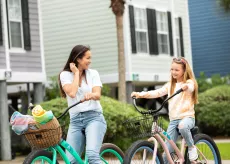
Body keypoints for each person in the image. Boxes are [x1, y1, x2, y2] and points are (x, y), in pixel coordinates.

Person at [131, 57, 199, 163]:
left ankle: (191, 147)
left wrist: (186, 86)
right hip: (173, 121)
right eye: (172, 69)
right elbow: (157, 92)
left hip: (187, 117)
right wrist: (139, 94)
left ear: (184, 71)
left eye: (177, 70)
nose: (173, 72)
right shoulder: (170, 85)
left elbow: (191, 87)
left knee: (182, 126)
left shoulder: (189, 82)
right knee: (166, 154)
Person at [58, 45, 107, 164]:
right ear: (78, 59)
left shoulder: (93, 73)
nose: (90, 61)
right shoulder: (65, 75)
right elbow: (72, 93)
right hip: (75, 121)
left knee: (92, 156)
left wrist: (91, 95)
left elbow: (97, 94)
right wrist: (76, 74)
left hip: (94, 117)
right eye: (87, 58)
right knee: (70, 161)